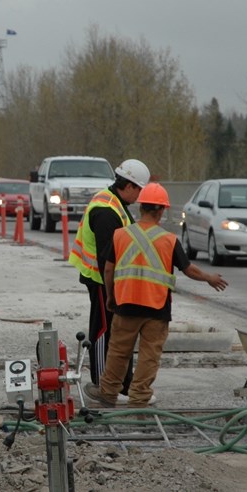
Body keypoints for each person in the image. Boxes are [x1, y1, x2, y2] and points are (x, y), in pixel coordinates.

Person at [85, 183, 228, 408]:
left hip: (125, 305)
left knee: (118, 352)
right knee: (149, 356)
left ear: (140, 207)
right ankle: (139, 398)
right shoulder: (169, 240)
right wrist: (209, 278)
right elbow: (189, 269)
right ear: (161, 210)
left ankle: (108, 393)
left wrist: (110, 297)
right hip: (157, 308)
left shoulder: (120, 235)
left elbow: (109, 269)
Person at [68, 158, 151, 405]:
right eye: (140, 190)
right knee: (104, 331)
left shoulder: (115, 202)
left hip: (112, 281)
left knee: (118, 332)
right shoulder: (106, 211)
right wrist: (114, 291)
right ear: (130, 186)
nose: (140, 196)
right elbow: (108, 258)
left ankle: (122, 382)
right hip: (102, 281)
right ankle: (103, 384)